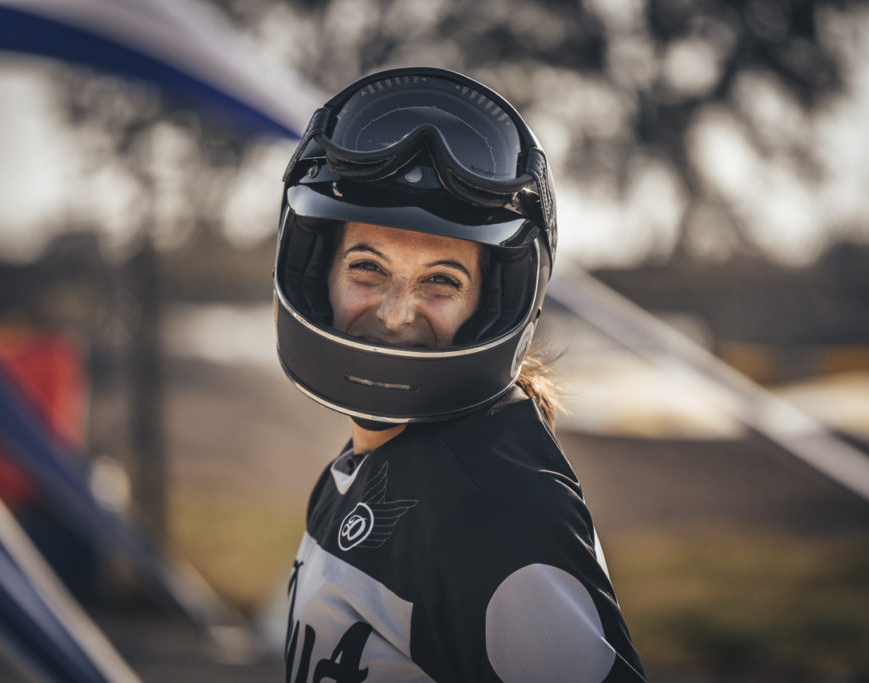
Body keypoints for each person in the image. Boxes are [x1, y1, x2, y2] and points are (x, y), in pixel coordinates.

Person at [274, 67, 645, 682]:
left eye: (441, 280)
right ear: (321, 275)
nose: (396, 315)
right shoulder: (356, 469)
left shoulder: (500, 512)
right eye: (367, 267)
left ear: (490, 305)